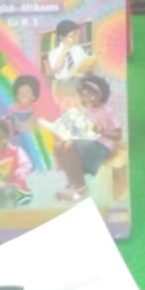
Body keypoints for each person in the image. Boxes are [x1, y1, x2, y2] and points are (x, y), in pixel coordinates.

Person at [53, 73, 123, 202]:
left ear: (101, 94)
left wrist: (103, 132)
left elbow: (118, 135)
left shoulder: (107, 110)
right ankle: (72, 183)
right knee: (60, 145)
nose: (88, 98)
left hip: (103, 147)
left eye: (92, 94)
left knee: (69, 146)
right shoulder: (87, 111)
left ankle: (80, 185)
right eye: (84, 95)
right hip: (90, 143)